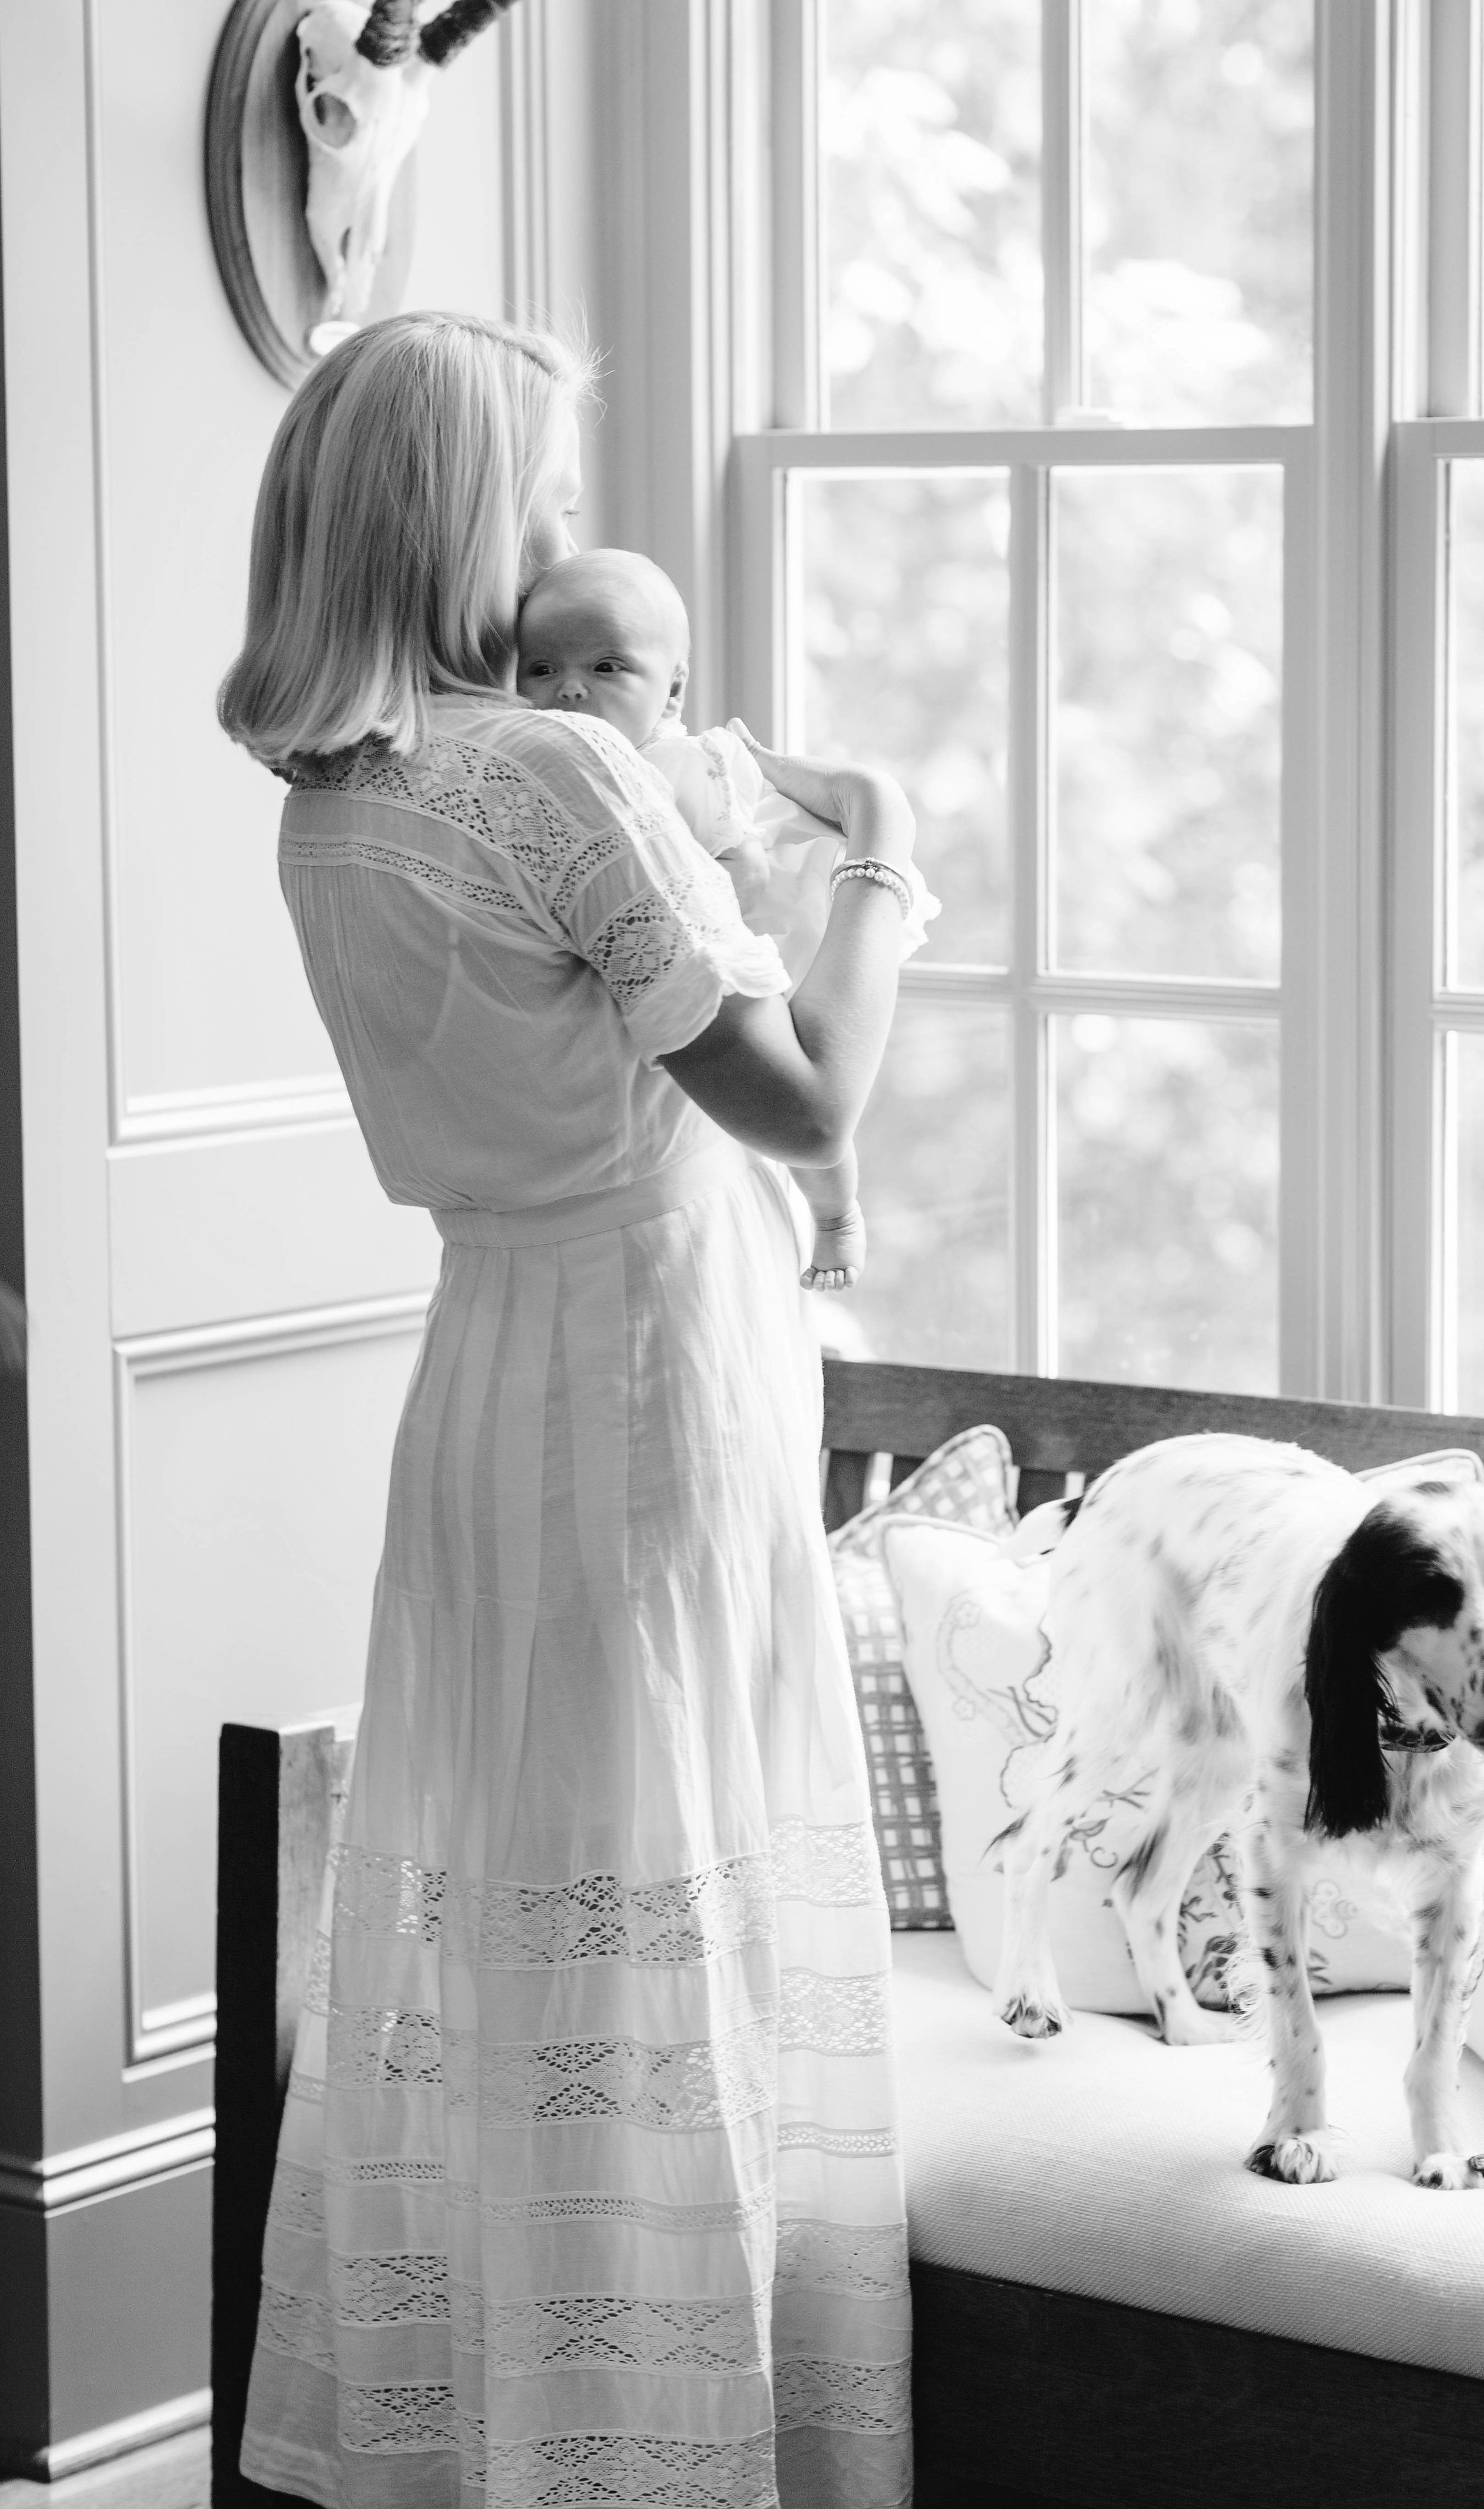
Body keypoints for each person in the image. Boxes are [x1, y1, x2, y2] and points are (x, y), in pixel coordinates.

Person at [219, 310, 915, 2509]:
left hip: (485, 1374)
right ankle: (650, 2458)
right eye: (534, 491)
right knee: (662, 1907)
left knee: (537, 1925)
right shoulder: (549, 777)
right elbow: (806, 1099)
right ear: (453, 516)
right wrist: (886, 867)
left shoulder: (330, 810)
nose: (556, 533)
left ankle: (520, 2444)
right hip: (650, 1376)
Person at [516, 546, 936, 1294]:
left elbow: (746, 865)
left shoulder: (676, 766)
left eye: (607, 668)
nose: (570, 689)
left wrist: (708, 915)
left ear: (672, 690)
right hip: (692, 961)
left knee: (802, 1097)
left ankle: (837, 1215)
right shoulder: (558, 778)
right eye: (541, 669)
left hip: (763, 934)